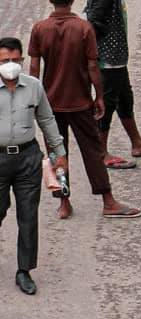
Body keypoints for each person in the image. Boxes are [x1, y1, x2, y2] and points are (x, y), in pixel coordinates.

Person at [28, 0, 140, 219]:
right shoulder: (83, 28)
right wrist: (99, 95)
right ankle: (108, 201)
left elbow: (34, 65)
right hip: (79, 101)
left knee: (56, 153)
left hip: (50, 104)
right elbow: (92, 65)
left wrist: (34, 97)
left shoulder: (40, 28)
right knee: (93, 151)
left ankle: (63, 203)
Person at [0, 36, 67, 295]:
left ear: (22, 60)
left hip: (28, 158)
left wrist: (59, 153)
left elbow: (47, 119)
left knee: (28, 215)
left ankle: (24, 270)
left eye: (15, 60)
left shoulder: (34, 87)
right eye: (5, 60)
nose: (11, 65)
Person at [85, 0, 141, 169]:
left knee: (125, 98)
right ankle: (101, 152)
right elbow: (93, 24)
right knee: (106, 104)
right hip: (108, 58)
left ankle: (137, 143)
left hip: (116, 56)